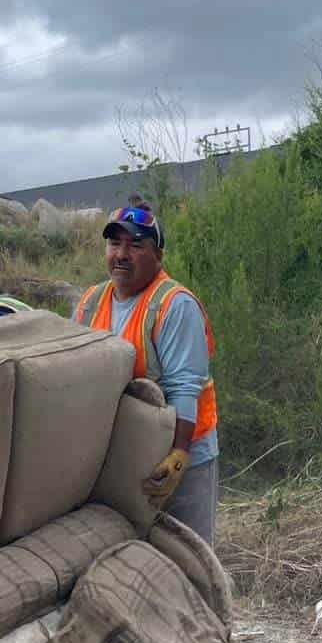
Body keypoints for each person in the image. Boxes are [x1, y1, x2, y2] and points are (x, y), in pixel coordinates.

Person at [73, 200, 219, 546]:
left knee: (190, 558)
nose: (121, 254)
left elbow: (185, 387)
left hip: (184, 454)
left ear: (158, 255)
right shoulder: (90, 301)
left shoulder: (174, 304)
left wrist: (179, 457)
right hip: (128, 455)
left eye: (136, 245)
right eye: (114, 243)